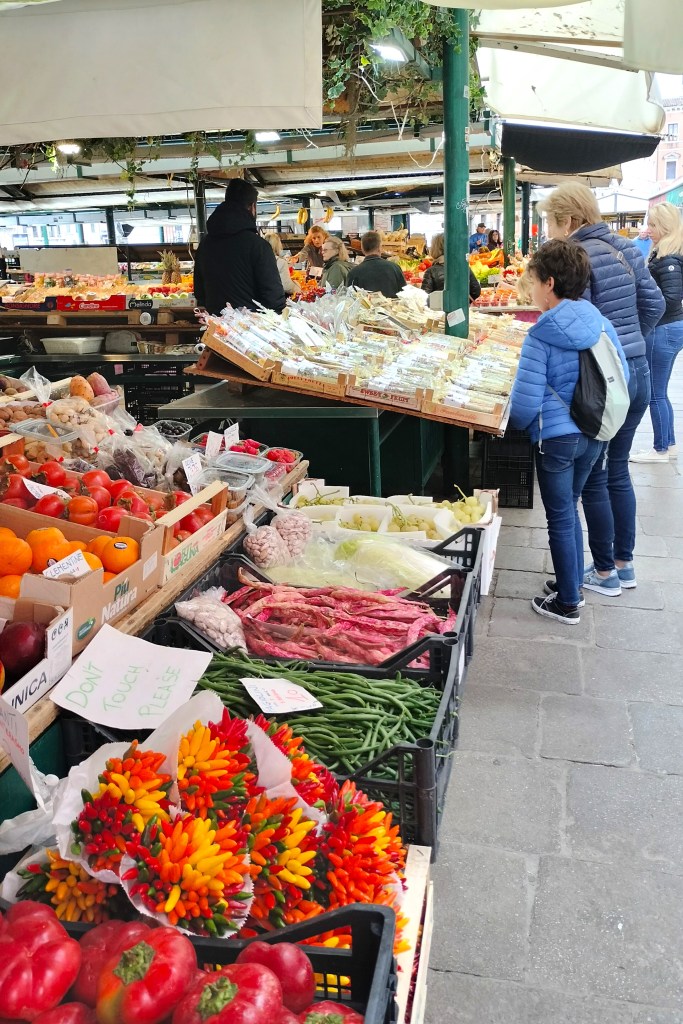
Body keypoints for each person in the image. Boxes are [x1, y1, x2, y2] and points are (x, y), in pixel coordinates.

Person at [539, 182, 664, 596]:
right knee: (618, 468)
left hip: (602, 382)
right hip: (638, 371)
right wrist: (631, 345)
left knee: (593, 477)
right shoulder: (627, 248)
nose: (549, 231)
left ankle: (605, 572)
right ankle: (623, 565)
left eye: (550, 222)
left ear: (569, 220)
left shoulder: (577, 256)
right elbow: (655, 304)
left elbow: (578, 324)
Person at [509, 241, 628, 624]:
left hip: (557, 439)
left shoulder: (540, 335)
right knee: (571, 507)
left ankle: (567, 603)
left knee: (560, 516)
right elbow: (620, 375)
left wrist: (521, 427)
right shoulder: (600, 321)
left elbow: (525, 403)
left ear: (550, 283)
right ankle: (570, 581)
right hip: (595, 433)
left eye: (535, 282)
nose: (532, 290)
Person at [631, 202, 683, 463]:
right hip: (670, 328)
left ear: (665, 226)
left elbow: (671, 297)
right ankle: (669, 444)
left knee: (655, 393)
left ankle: (660, 448)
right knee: (660, 390)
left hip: (663, 329)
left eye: (652, 225)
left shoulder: (669, 258)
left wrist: (648, 312)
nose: (648, 229)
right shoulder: (666, 254)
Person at [193, 178, 286, 314]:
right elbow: (273, 297)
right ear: (252, 207)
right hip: (251, 329)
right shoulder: (258, 246)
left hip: (217, 327)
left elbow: (200, 293)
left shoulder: (205, 245)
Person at [421, 233, 481, 302]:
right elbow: (476, 291)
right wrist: (463, 302)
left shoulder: (431, 271)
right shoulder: (464, 267)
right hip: (461, 310)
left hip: (439, 311)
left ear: (435, 248)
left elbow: (423, 298)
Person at [346, 230, 406, 298]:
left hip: (365, 308)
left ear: (362, 248)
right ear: (380, 247)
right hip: (392, 308)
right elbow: (404, 295)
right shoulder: (395, 268)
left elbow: (350, 300)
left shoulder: (353, 273)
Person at [265, 232, 297, 296]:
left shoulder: (258, 260)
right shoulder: (281, 262)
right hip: (275, 298)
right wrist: (297, 286)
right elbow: (287, 287)